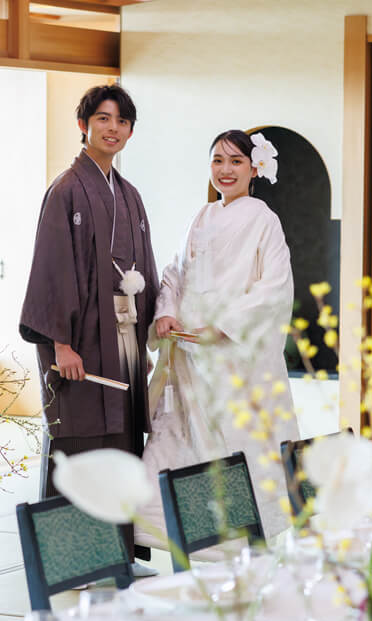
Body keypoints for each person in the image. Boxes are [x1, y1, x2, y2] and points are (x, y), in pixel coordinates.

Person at [135, 129, 299, 550]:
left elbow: (274, 288)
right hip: (192, 358)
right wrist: (167, 311)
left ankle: (239, 540)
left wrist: (223, 326)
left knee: (234, 443)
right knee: (182, 441)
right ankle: (177, 536)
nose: (225, 170)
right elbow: (175, 272)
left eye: (235, 162)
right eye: (217, 161)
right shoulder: (202, 217)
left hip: (235, 360)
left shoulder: (264, 219)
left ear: (253, 169)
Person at [19, 84, 159, 567]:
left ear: (130, 131)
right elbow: (53, 270)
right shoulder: (66, 190)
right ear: (84, 125)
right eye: (103, 119)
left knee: (121, 440)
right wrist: (60, 344)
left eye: (121, 121)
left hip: (122, 341)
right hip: (80, 345)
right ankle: (69, 558)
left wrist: (146, 339)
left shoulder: (130, 195)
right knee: (79, 442)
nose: (112, 128)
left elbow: (147, 268)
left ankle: (115, 554)